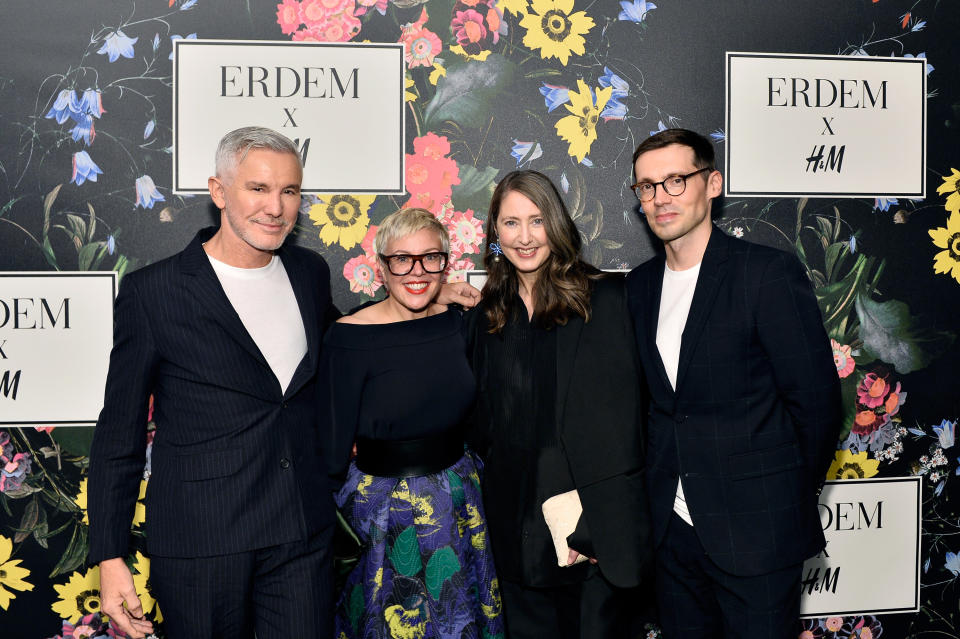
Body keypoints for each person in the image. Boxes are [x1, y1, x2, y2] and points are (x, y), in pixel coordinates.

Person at [87, 127, 480, 639]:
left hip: (301, 537)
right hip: (203, 547)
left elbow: (356, 341)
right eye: (258, 188)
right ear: (219, 191)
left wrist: (424, 293)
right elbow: (119, 434)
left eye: (289, 191)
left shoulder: (307, 272)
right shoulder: (153, 292)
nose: (276, 207)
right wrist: (110, 556)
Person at [624, 128, 842, 637]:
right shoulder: (638, 287)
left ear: (713, 183)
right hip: (671, 535)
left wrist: (772, 495)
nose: (660, 197)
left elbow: (817, 407)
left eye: (676, 181)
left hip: (757, 531)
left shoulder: (765, 274)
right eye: (647, 187)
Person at [466, 169, 651, 639]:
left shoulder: (604, 300)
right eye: (510, 223)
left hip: (586, 532)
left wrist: (593, 525)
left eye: (536, 221)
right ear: (495, 231)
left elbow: (628, 426)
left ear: (558, 225)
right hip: (509, 527)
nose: (524, 237)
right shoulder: (487, 315)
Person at [318, 207, 504, 639]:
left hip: (459, 500)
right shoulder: (349, 337)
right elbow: (328, 453)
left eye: (430, 258)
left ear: (446, 263)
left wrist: (440, 296)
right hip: (381, 513)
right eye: (402, 259)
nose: (416, 271)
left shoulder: (458, 322)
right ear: (382, 267)